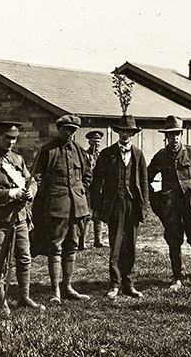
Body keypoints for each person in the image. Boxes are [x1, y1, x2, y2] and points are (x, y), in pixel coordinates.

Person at [0, 121, 44, 313]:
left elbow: (32, 182)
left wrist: (30, 192)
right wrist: (11, 194)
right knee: (0, 258)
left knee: (24, 257)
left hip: (20, 217)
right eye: (8, 138)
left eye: (14, 138)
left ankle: (25, 297)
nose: (11, 142)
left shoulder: (18, 159)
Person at [147, 115, 191, 291]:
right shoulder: (161, 156)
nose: (174, 138)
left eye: (177, 134)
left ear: (181, 135)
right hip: (171, 207)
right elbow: (146, 178)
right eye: (170, 135)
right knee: (174, 241)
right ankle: (177, 278)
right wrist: (158, 199)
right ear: (166, 137)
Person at [32, 114, 92, 303]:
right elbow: (38, 175)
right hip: (56, 207)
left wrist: (80, 190)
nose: (69, 133)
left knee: (72, 246)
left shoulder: (80, 151)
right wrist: (49, 195)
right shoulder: (48, 150)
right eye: (66, 129)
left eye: (73, 130)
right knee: (55, 247)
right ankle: (55, 290)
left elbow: (88, 174)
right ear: (59, 129)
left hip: (77, 207)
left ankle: (68, 285)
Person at [91, 115, 149, 299]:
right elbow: (96, 182)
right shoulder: (107, 154)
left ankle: (129, 284)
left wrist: (144, 206)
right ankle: (115, 284)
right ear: (118, 132)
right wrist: (98, 207)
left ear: (133, 134)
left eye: (129, 132)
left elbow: (145, 182)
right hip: (114, 205)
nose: (126, 135)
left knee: (130, 245)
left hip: (132, 205)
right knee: (115, 245)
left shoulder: (138, 155)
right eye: (123, 131)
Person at [79, 130, 106, 250]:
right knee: (86, 215)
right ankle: (82, 241)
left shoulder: (102, 156)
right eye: (94, 141)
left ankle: (98, 241)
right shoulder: (85, 155)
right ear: (89, 142)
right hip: (88, 189)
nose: (97, 144)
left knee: (98, 214)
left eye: (99, 141)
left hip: (98, 189)